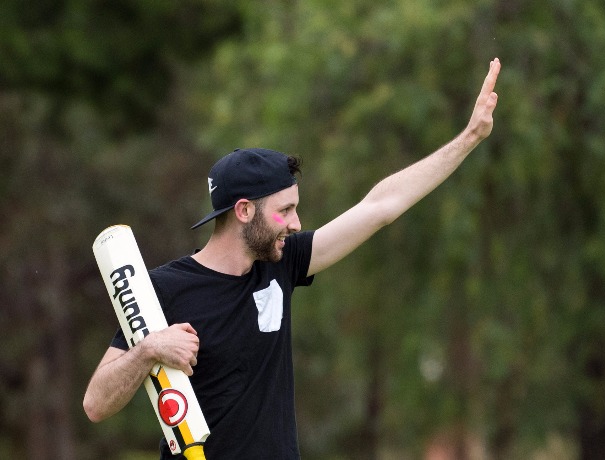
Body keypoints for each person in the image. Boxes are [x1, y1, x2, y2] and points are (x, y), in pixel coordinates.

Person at [83, 57, 501, 458]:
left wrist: (468, 139)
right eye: (285, 210)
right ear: (244, 211)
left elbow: (380, 208)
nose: (297, 223)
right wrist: (149, 349)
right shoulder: (163, 289)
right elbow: (96, 404)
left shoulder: (282, 264)